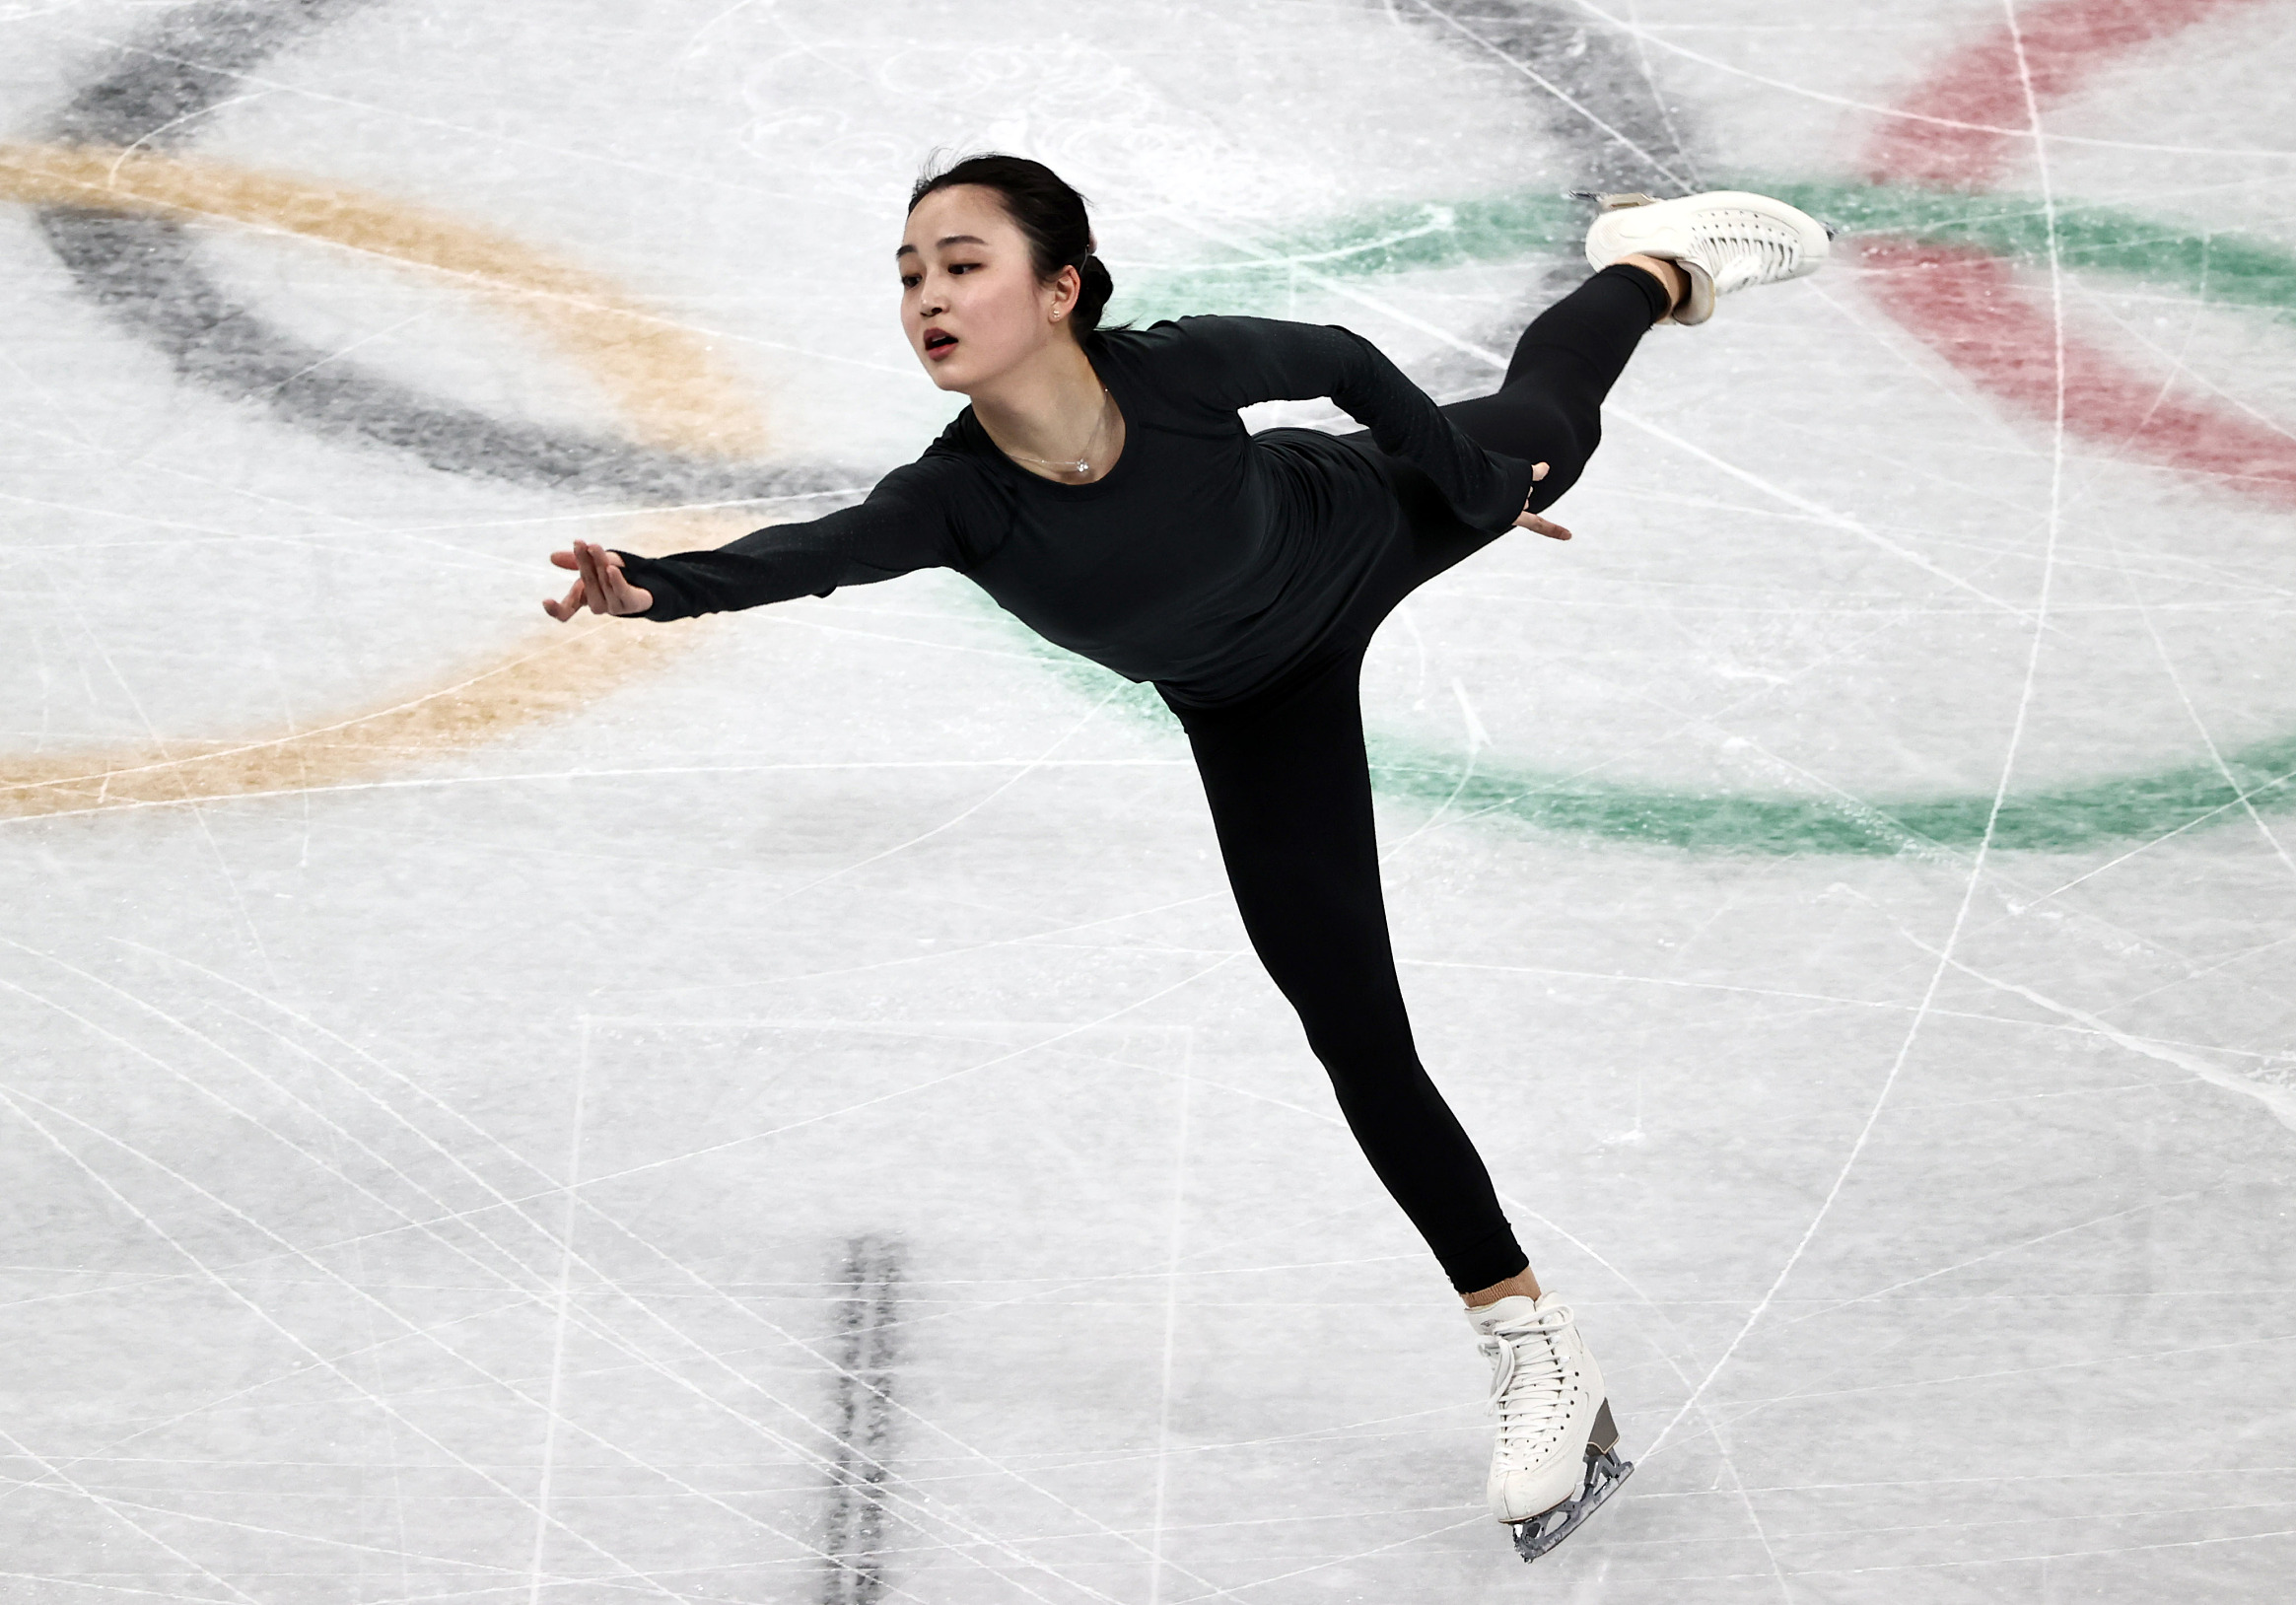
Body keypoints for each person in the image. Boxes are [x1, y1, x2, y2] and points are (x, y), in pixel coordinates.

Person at [544, 154, 1829, 1559]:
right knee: (1355, 1030)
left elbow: (1337, 358)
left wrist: (1462, 484)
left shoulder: (1170, 373)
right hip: (1253, 702)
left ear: (1062, 288)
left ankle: (1651, 261)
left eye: (963, 263)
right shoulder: (956, 502)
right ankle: (1532, 1344)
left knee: (1541, 431)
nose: (927, 295)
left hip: (1365, 519)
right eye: (910, 273)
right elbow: (820, 549)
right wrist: (656, 589)